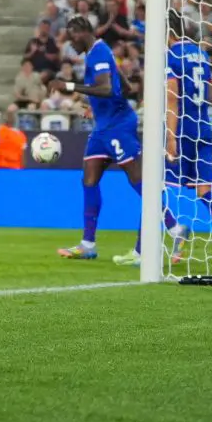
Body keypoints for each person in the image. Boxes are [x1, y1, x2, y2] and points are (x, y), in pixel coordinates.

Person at [51, 15, 143, 261]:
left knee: (138, 182)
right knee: (89, 179)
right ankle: (87, 244)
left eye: (73, 37)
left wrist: (69, 87)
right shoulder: (100, 53)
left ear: (84, 32)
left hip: (118, 126)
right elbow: (124, 89)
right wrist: (98, 107)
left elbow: (104, 88)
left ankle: (173, 228)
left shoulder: (98, 52)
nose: (71, 43)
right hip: (103, 126)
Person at [153, 12, 212, 270]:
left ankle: (172, 232)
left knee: (153, 189)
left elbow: (172, 98)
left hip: (182, 130)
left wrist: (170, 135)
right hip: (204, 127)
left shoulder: (171, 57)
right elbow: (210, 92)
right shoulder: (202, 55)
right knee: (205, 191)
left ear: (167, 32)